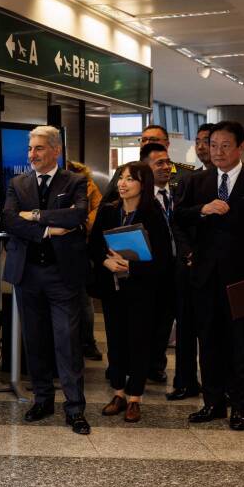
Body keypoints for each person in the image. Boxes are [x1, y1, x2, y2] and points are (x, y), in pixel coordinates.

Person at [173, 121, 244, 431]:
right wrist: (202, 212)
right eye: (213, 145)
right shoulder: (196, 182)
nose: (217, 151)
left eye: (225, 145)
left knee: (243, 342)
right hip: (205, 276)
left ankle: (239, 405)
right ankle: (213, 402)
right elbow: (178, 219)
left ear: (240, 147)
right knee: (209, 340)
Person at [2, 125, 91, 435]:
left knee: (67, 340)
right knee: (35, 340)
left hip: (62, 275)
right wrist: (48, 229)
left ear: (56, 150)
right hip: (28, 274)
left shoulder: (76, 181)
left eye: (39, 149)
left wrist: (35, 216)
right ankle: (43, 399)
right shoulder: (17, 183)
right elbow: (10, 220)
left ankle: (75, 407)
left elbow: (77, 216)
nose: (32, 155)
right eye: (30, 149)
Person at [89, 161, 172, 423]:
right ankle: (118, 393)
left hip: (143, 290)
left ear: (143, 184)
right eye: (121, 178)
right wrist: (106, 261)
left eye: (130, 179)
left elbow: (163, 260)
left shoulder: (153, 215)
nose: (123, 184)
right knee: (115, 341)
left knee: (139, 342)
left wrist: (131, 267)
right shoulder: (108, 211)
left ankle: (135, 397)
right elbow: (92, 246)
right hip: (113, 288)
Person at [139, 142, 177, 385]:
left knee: (165, 321)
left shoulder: (178, 193)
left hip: (175, 269)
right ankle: (139, 366)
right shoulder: (137, 198)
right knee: (144, 321)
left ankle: (156, 364)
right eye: (159, 163)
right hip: (147, 271)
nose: (166, 167)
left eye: (167, 162)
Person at [66, 160, 103, 362]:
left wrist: (80, 222)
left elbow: (97, 213)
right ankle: (83, 343)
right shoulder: (86, 184)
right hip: (69, 245)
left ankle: (87, 342)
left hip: (80, 247)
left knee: (82, 298)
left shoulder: (89, 186)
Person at [139, 124, 195, 195]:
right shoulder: (125, 173)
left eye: (153, 139)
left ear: (167, 144)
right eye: (144, 140)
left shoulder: (187, 176)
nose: (147, 143)